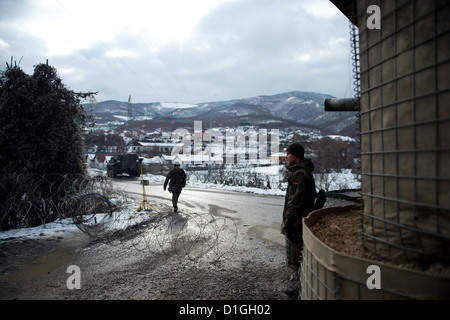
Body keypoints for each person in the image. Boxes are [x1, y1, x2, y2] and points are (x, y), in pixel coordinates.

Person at [281, 142, 316, 299]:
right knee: (299, 259)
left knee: (298, 260)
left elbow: (295, 203)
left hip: (297, 226)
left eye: (289, 153)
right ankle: (299, 288)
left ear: (296, 155)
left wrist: (288, 223)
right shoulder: (301, 172)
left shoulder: (300, 175)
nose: (286, 156)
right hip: (298, 224)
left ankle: (300, 291)